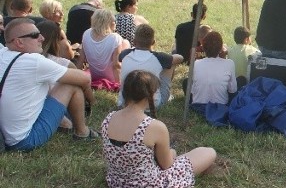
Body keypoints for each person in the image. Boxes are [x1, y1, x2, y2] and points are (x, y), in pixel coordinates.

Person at [101, 70, 217, 188]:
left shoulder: (109, 118)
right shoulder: (153, 126)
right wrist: (171, 153)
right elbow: (166, 165)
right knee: (208, 152)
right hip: (147, 186)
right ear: (149, 95)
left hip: (117, 182)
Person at [0, 18, 98, 151]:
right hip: (22, 141)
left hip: (4, 133)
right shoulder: (34, 61)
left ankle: (65, 123)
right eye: (35, 35)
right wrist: (92, 101)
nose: (42, 38)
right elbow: (83, 79)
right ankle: (82, 132)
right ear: (19, 42)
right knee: (71, 85)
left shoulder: (3, 53)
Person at [118, 24, 183, 107]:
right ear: (153, 42)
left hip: (124, 103)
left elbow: (119, 58)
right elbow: (180, 58)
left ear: (134, 42)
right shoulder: (160, 57)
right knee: (170, 64)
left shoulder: (125, 54)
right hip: (152, 105)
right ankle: (166, 94)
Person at [80, 8, 130, 90]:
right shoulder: (114, 38)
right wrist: (118, 84)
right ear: (110, 23)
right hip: (112, 77)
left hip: (94, 76)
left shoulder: (86, 33)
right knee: (126, 43)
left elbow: (81, 59)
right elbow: (116, 65)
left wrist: (77, 74)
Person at [190, 31, 237, 107]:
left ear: (203, 47)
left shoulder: (196, 63)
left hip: (197, 106)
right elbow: (233, 90)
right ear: (221, 47)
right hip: (220, 107)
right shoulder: (229, 63)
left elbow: (192, 90)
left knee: (187, 82)